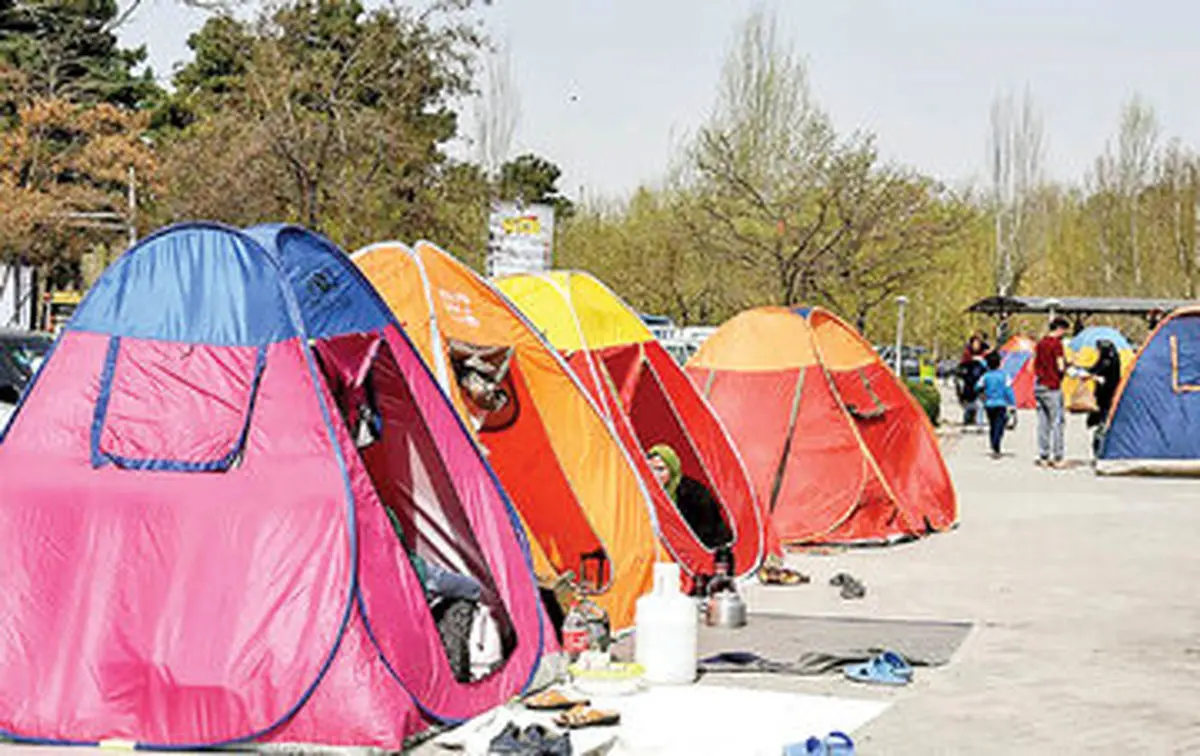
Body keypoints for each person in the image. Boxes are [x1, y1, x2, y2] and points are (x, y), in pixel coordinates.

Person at [1034, 317, 1070, 468]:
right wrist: (1067, 367)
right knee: (1057, 422)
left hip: (1039, 385)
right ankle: (1058, 457)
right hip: (1052, 386)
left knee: (1043, 422)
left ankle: (1043, 455)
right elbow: (1060, 366)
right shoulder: (1056, 344)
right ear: (1060, 329)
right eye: (1064, 331)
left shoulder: (1040, 343)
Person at [976, 351, 1016, 458]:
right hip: (1001, 404)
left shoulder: (985, 376)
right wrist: (1012, 404)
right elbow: (1008, 390)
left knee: (992, 424)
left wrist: (983, 394)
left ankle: (993, 443)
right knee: (1000, 425)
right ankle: (996, 444)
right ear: (999, 363)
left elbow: (977, 387)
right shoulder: (1004, 376)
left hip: (989, 404)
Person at [1086, 339, 1122, 458]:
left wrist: (1093, 376)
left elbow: (1097, 371)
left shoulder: (1106, 361)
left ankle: (1100, 451)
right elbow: (1094, 369)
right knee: (1104, 424)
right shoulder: (1114, 358)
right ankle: (1100, 450)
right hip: (1110, 397)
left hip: (1105, 397)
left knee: (1103, 425)